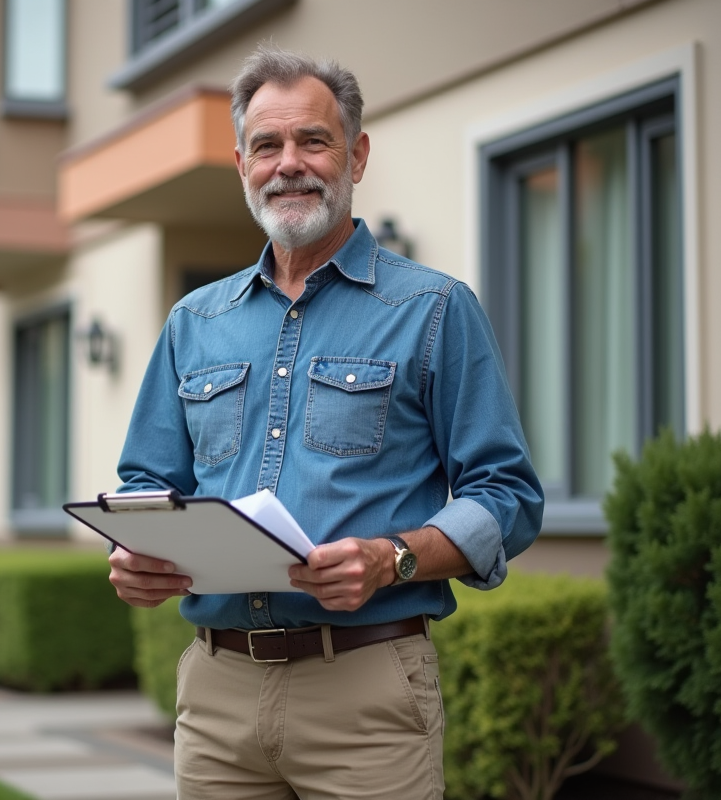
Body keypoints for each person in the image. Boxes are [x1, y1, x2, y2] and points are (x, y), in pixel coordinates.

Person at [108, 43, 543, 800]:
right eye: (267, 145)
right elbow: (148, 483)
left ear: (357, 154)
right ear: (240, 161)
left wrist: (393, 559)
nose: (289, 164)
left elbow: (507, 495)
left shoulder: (434, 309)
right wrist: (138, 556)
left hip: (366, 695)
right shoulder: (192, 322)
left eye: (313, 140)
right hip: (216, 696)